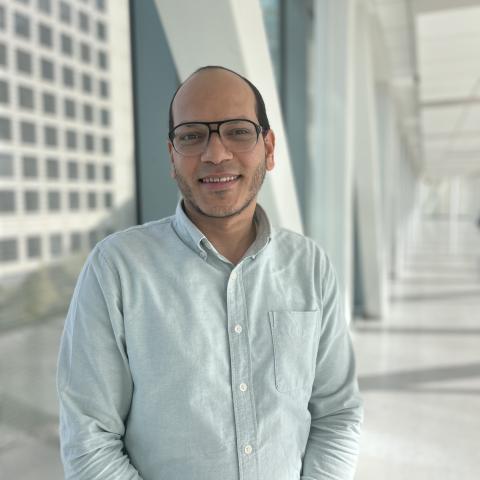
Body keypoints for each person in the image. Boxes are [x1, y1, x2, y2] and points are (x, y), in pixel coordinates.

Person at [57, 65, 363, 480]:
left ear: (269, 147)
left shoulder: (310, 266)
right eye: (191, 136)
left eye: (237, 131)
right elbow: (88, 441)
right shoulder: (116, 269)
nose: (216, 154)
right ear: (172, 156)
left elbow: (337, 414)